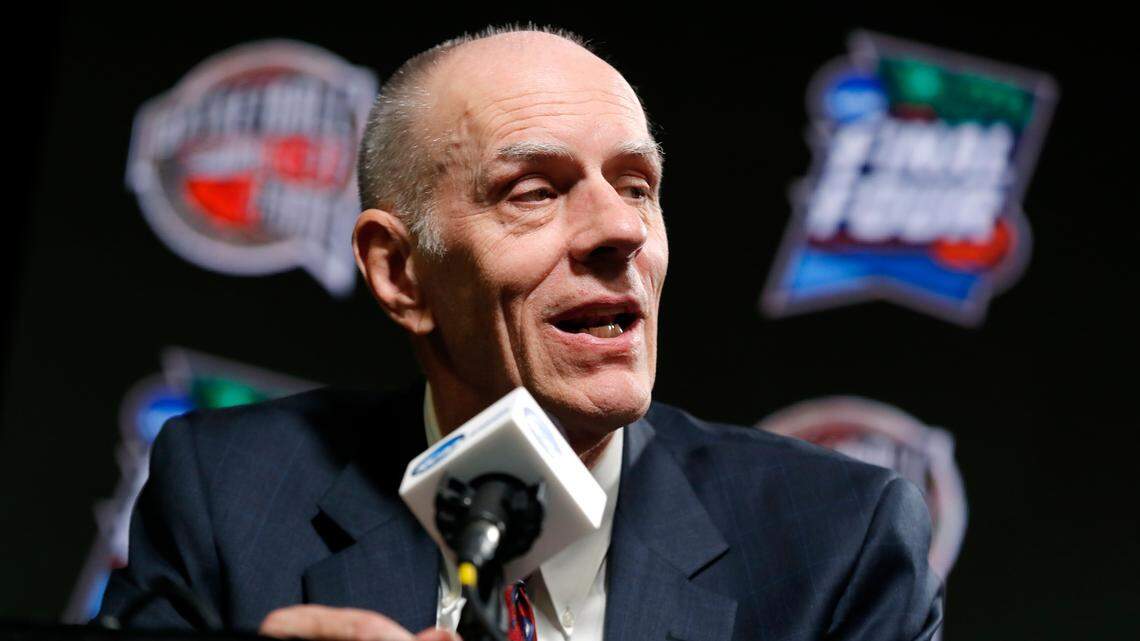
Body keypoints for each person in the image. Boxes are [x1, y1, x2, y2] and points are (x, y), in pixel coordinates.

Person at [97, 26, 943, 641]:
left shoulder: (837, 541)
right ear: (398, 271)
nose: (621, 232)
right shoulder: (228, 494)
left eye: (638, 186)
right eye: (534, 191)